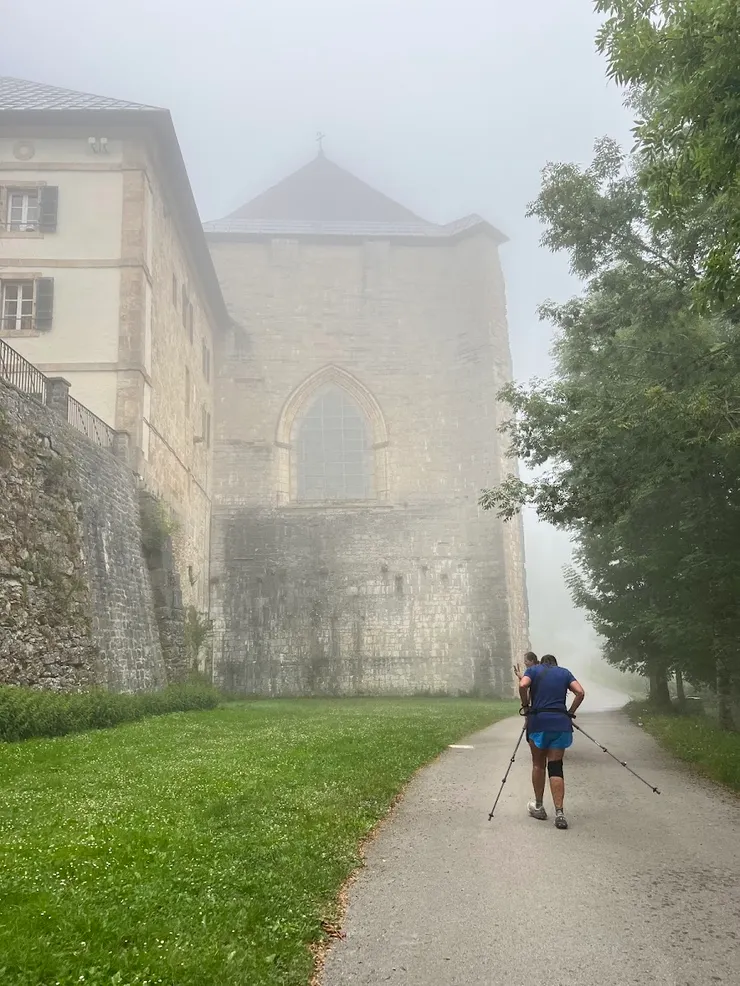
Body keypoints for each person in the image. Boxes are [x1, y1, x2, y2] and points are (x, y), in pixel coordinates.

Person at [519, 654, 585, 830]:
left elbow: (523, 684)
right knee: (556, 766)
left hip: (538, 722)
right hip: (560, 723)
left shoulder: (533, 670)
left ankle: (539, 807)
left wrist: (526, 707)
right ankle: (560, 813)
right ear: (556, 664)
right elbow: (580, 692)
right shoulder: (564, 673)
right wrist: (570, 713)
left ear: (542, 662)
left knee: (538, 764)